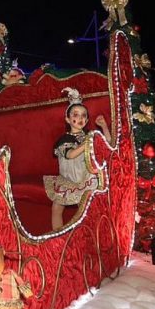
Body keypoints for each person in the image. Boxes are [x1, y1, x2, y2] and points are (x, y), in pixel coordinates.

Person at [43, 87, 111, 230]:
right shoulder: (65, 139)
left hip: (85, 179)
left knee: (86, 209)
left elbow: (108, 144)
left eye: (83, 116)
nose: (80, 119)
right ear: (68, 119)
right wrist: (88, 142)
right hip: (68, 179)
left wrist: (104, 127)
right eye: (76, 115)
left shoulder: (89, 136)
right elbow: (70, 154)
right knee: (57, 207)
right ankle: (58, 234)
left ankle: (87, 234)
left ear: (86, 120)